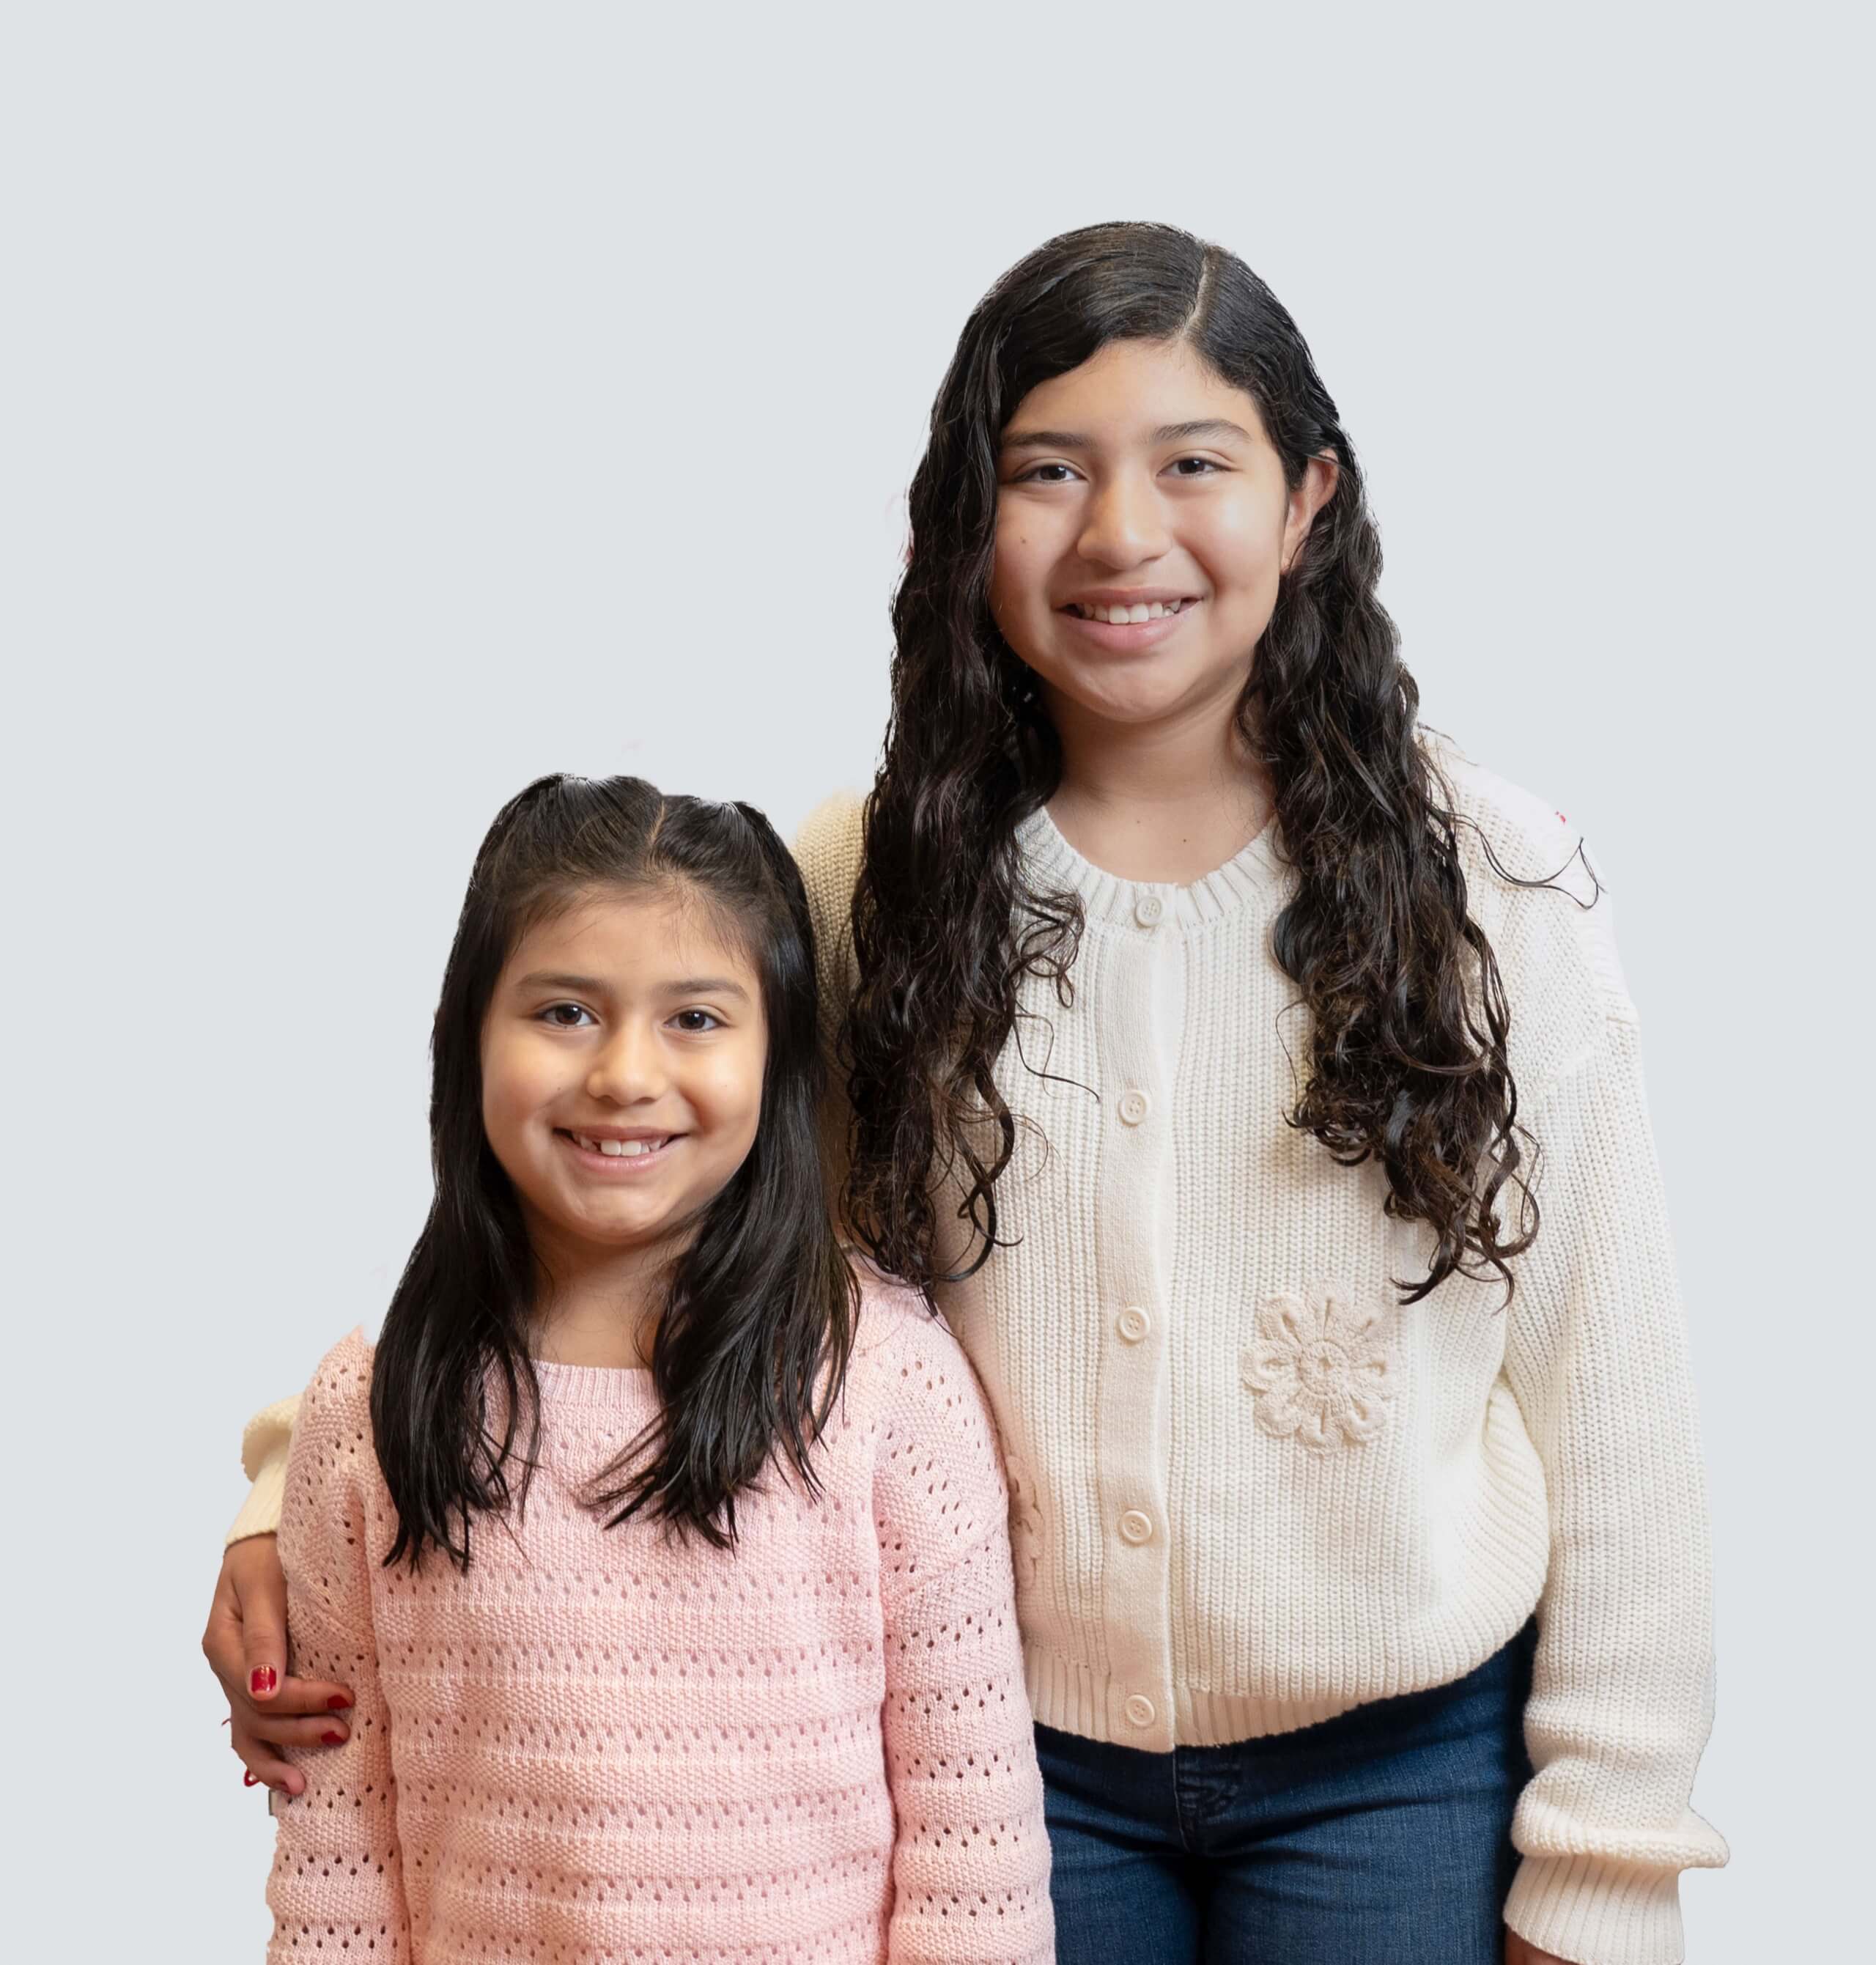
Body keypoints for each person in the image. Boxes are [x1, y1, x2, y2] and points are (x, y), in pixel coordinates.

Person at [209, 224, 1725, 1964]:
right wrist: (290, 1494)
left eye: (1192, 465)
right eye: (1047, 470)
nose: (1120, 534)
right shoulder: (869, 881)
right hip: (997, 1761)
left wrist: (1604, 1871)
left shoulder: (1496, 890)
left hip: (1403, 1766)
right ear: (964, 519)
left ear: (1307, 498)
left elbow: (1613, 1391)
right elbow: (604, 1208)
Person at [244, 773, 1052, 1963]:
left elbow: (971, 1862)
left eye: (696, 1018)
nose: (624, 1073)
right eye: (566, 1010)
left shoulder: (888, 1389)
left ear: (780, 1058)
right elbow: (338, 1871)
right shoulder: (369, 1415)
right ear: (466, 1036)